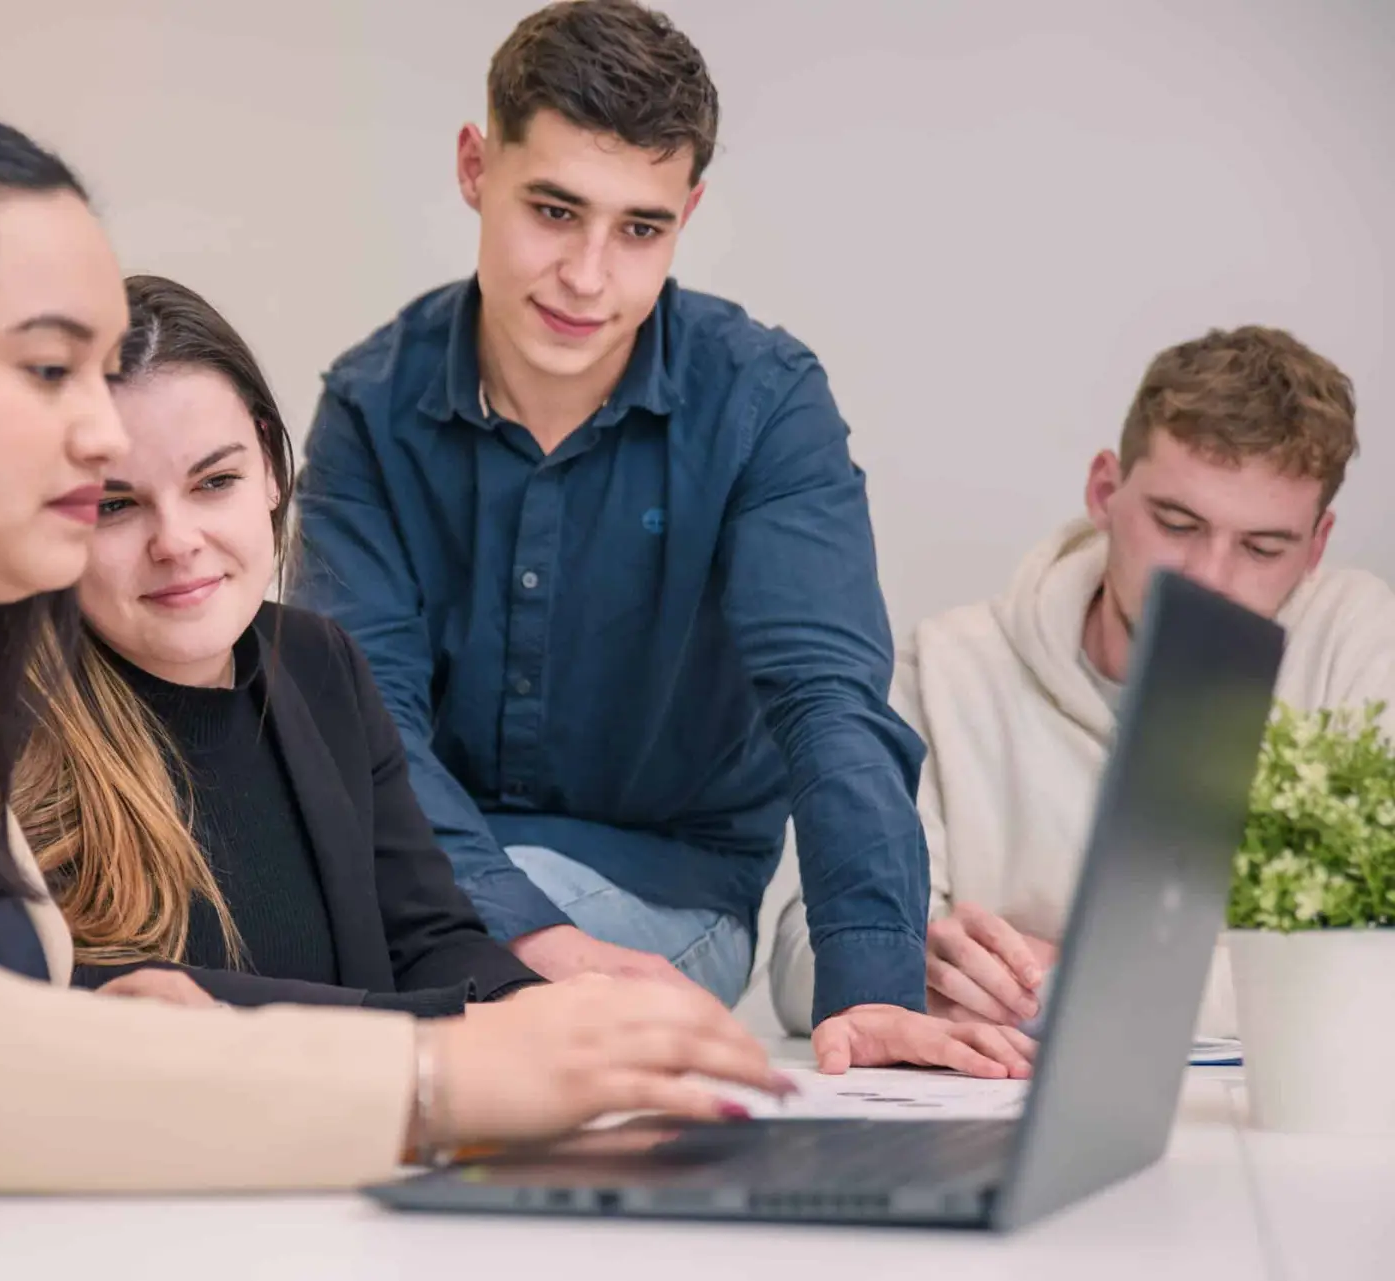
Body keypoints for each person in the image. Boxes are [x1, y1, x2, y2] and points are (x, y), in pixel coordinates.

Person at [0, 104, 798, 1227]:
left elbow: (18, 1025)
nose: (101, 432)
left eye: (104, 373)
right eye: (51, 369)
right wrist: (441, 1081)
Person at [292, 0, 1024, 1076]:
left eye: (641, 228)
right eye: (553, 209)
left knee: (328, 973)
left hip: (660, 887)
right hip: (415, 868)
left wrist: (872, 988)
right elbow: (368, 718)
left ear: (689, 211)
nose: (590, 276)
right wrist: (526, 939)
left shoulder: (763, 403)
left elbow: (826, 701)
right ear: (472, 167)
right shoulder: (369, 404)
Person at [769, 325, 1395, 1037]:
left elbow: (1371, 970)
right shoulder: (948, 669)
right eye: (1178, 523)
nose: (1209, 579)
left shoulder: (1356, 645)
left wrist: (1073, 980)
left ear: (1315, 546)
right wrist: (903, 965)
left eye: (1262, 546)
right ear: (1106, 490)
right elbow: (797, 965)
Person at [14, 274, 543, 1017]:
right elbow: (107, 996)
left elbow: (429, 937)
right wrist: (445, 1034)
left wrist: (539, 1010)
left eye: (214, 481)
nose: (177, 541)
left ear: (269, 466)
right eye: (115, 505)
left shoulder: (319, 660)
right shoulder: (5, 718)